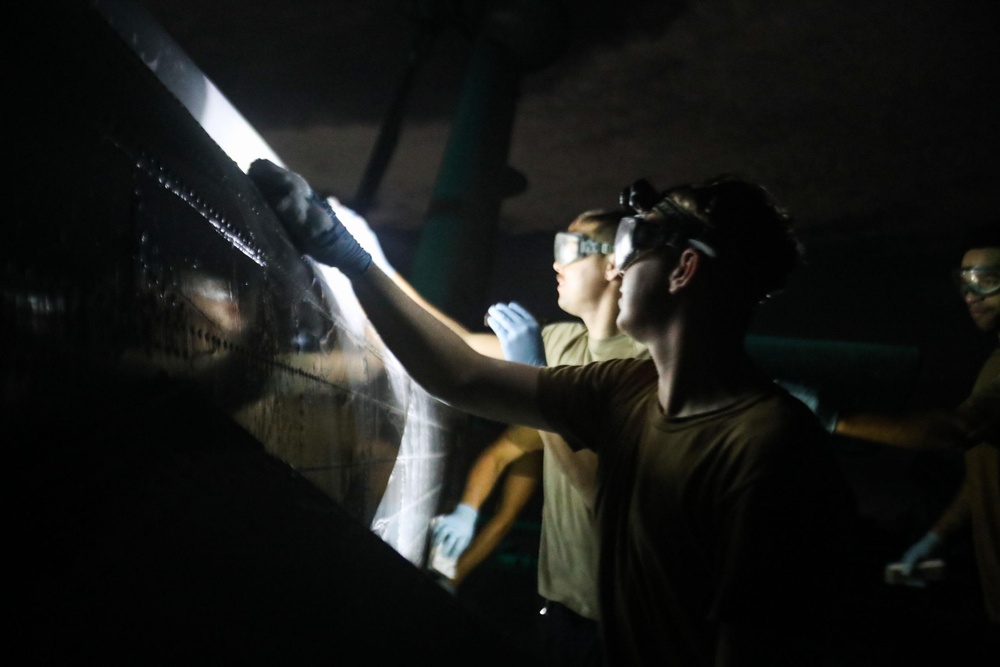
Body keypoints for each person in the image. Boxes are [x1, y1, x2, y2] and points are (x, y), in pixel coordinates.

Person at [247, 159, 858, 665]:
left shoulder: (769, 449)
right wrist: (348, 256)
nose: (618, 267)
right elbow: (459, 372)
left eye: (634, 245)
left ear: (685, 269)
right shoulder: (626, 387)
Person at [431, 209, 647, 666]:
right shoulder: (563, 341)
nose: (556, 263)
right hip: (558, 608)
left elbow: (603, 489)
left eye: (569, 249)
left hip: (621, 627)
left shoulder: (645, 366)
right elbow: (457, 346)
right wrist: (363, 263)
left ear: (614, 265)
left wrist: (536, 381)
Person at [809, 223, 1000, 635]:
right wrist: (936, 537)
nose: (971, 294)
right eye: (963, 281)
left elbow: (957, 430)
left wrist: (834, 418)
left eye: (988, 281)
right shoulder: (992, 363)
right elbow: (984, 466)